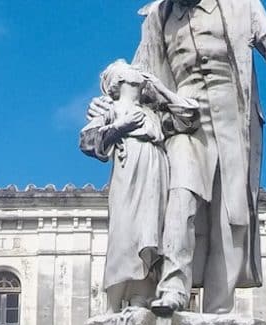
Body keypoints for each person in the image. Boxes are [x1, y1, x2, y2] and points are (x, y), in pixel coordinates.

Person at [130, 0, 266, 316]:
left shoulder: (239, 4)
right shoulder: (157, 17)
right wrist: (113, 103)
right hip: (182, 121)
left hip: (232, 118)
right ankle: (174, 287)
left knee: (231, 215)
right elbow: (141, 71)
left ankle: (219, 307)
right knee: (180, 193)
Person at [79, 60, 192, 311]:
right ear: (117, 80)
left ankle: (141, 300)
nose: (137, 68)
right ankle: (112, 305)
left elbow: (188, 117)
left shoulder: (153, 113)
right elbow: (87, 140)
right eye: (128, 67)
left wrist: (160, 88)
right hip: (129, 169)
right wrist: (120, 127)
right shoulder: (111, 108)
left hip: (157, 169)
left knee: (150, 232)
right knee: (124, 232)